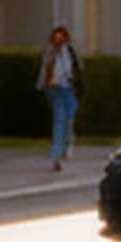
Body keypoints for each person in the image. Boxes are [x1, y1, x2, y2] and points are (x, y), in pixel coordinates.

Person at [34, 24, 83, 171]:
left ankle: (63, 147)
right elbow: (60, 71)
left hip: (62, 88)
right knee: (62, 119)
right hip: (58, 88)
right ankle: (58, 151)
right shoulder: (57, 52)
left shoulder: (61, 51)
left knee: (65, 118)